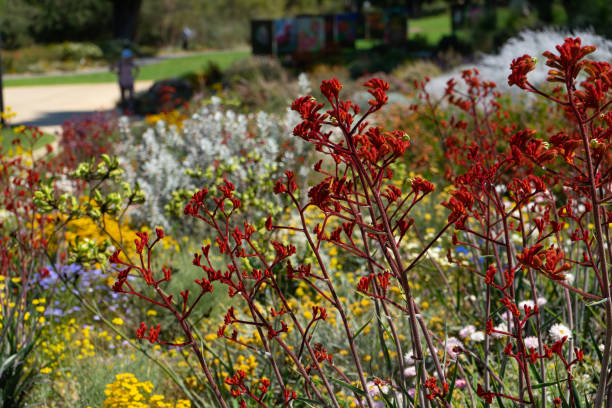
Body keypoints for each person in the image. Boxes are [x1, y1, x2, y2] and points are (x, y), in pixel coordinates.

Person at [113, 48, 139, 113]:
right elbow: (111, 68)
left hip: (129, 81)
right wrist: (117, 73)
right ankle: (124, 110)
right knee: (123, 97)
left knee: (131, 97)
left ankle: (131, 109)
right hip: (123, 82)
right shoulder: (120, 63)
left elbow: (137, 69)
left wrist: (134, 77)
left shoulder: (130, 63)